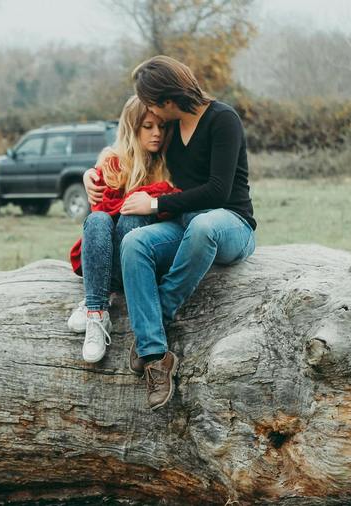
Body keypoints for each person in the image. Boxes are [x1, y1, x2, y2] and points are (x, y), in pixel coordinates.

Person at [85, 56, 257, 410]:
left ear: (166, 99)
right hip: (183, 223)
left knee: (203, 225)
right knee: (134, 243)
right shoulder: (171, 129)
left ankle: (156, 318)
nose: (150, 112)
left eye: (150, 101)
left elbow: (218, 191)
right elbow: (128, 152)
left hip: (229, 223)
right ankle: (155, 355)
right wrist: (92, 173)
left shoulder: (223, 120)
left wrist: (153, 206)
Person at [66, 95, 181, 364]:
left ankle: (95, 301)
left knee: (131, 218)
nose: (156, 134)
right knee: (96, 220)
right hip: (105, 260)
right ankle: (97, 313)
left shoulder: (169, 164)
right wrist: (90, 175)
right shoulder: (113, 161)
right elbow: (100, 211)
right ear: (132, 128)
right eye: (148, 126)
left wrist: (148, 201)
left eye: (162, 127)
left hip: (140, 265)